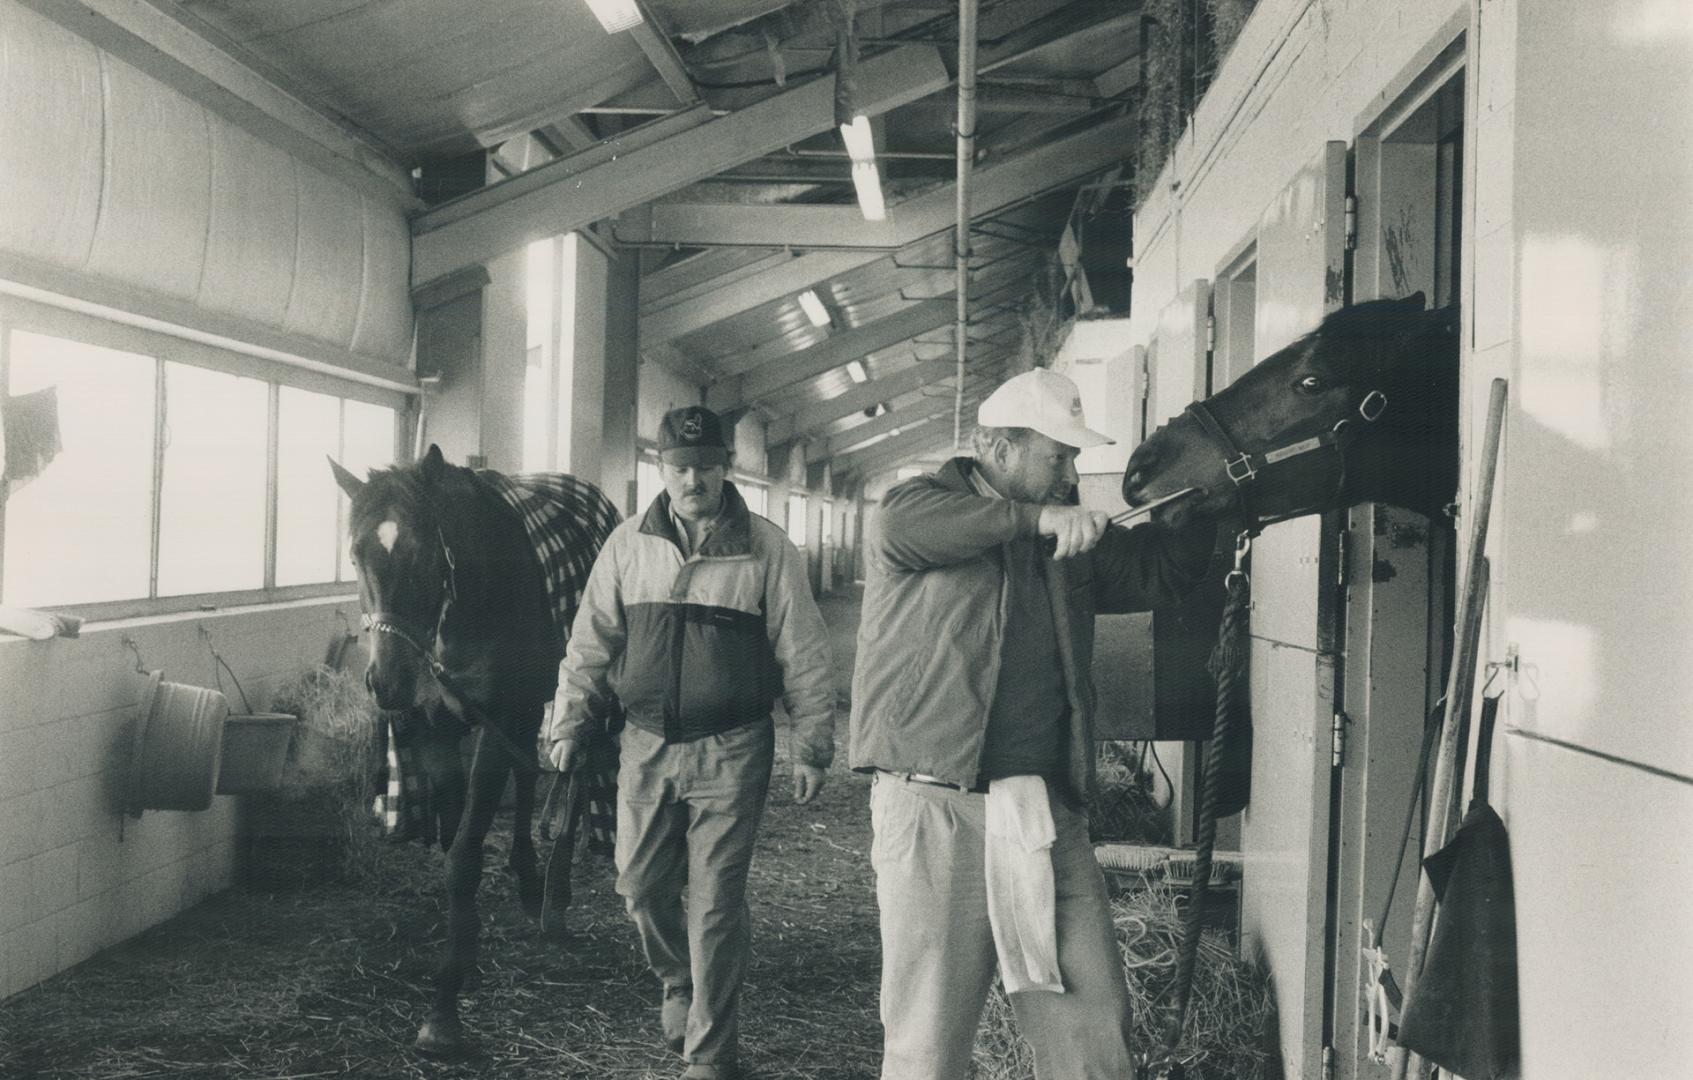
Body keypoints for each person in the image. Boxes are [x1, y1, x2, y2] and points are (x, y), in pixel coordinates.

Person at [850, 368, 1218, 1080]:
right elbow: (900, 525)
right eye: (1059, 454)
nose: (1071, 472)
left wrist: (1200, 509)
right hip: (935, 806)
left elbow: (1153, 575)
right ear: (996, 446)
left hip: (1045, 811)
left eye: (1075, 456)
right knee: (927, 1039)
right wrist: (1039, 521)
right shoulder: (920, 508)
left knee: (1092, 1028)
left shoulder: (1064, 527)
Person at [548, 405, 835, 1080]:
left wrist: (813, 740)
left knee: (714, 904)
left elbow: (804, 649)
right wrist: (568, 720)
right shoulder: (627, 545)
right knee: (638, 886)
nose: (693, 479)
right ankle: (678, 979)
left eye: (706, 466)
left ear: (725, 468)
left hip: (732, 748)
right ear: (661, 469)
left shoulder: (766, 548)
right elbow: (590, 640)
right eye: (680, 467)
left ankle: (710, 1053)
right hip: (644, 745)